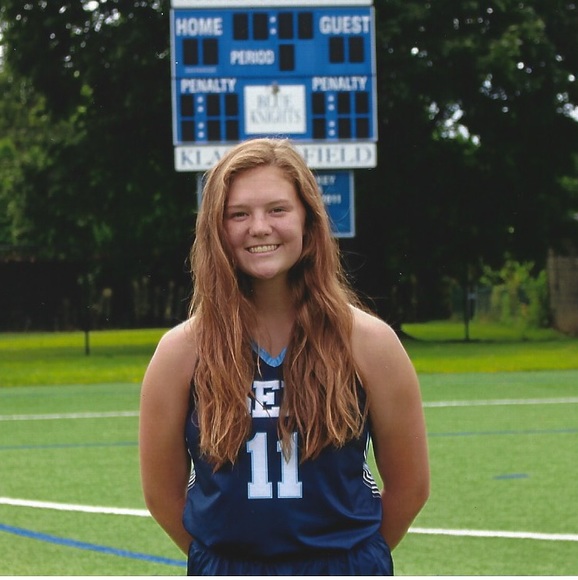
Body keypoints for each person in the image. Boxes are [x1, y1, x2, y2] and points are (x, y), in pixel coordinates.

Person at [139, 137, 429, 576]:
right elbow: (163, 494)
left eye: (277, 209)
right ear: (215, 228)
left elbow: (410, 486)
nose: (259, 227)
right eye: (238, 214)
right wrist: (221, 560)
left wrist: (349, 558)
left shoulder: (369, 343)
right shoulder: (181, 352)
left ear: (308, 220)